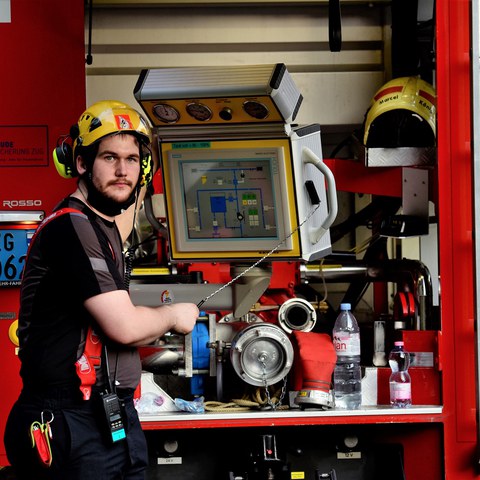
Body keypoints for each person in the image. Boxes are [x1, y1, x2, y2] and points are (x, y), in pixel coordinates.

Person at [3, 100, 199, 479]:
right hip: (68, 421)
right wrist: (176, 314)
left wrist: (145, 169)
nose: (122, 170)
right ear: (81, 163)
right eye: (109, 158)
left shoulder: (102, 224)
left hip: (105, 418)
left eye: (132, 160)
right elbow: (123, 327)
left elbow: (125, 198)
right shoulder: (70, 229)